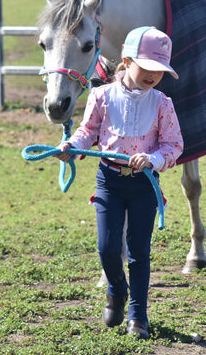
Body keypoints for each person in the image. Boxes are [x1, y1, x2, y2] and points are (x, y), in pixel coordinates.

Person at [55, 26, 183, 339]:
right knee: (107, 247)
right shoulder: (101, 96)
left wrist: (152, 159)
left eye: (160, 70)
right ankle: (116, 290)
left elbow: (174, 146)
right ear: (126, 61)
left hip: (143, 186)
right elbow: (88, 132)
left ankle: (138, 316)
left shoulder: (163, 104)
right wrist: (71, 145)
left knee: (138, 251)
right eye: (147, 67)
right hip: (109, 182)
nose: (154, 75)